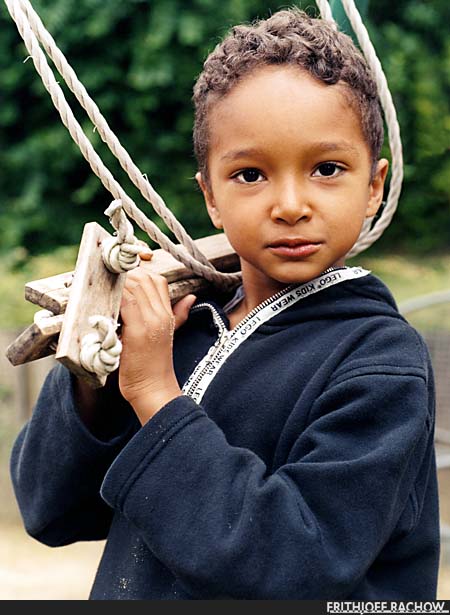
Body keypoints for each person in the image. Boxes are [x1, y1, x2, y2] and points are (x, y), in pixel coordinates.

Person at [10, 8, 440, 600]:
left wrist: (157, 395)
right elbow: (48, 511)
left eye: (326, 168)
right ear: (210, 196)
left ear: (374, 185)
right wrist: (97, 377)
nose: (290, 204)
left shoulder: (381, 362)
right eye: (250, 175)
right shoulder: (182, 327)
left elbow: (294, 561)